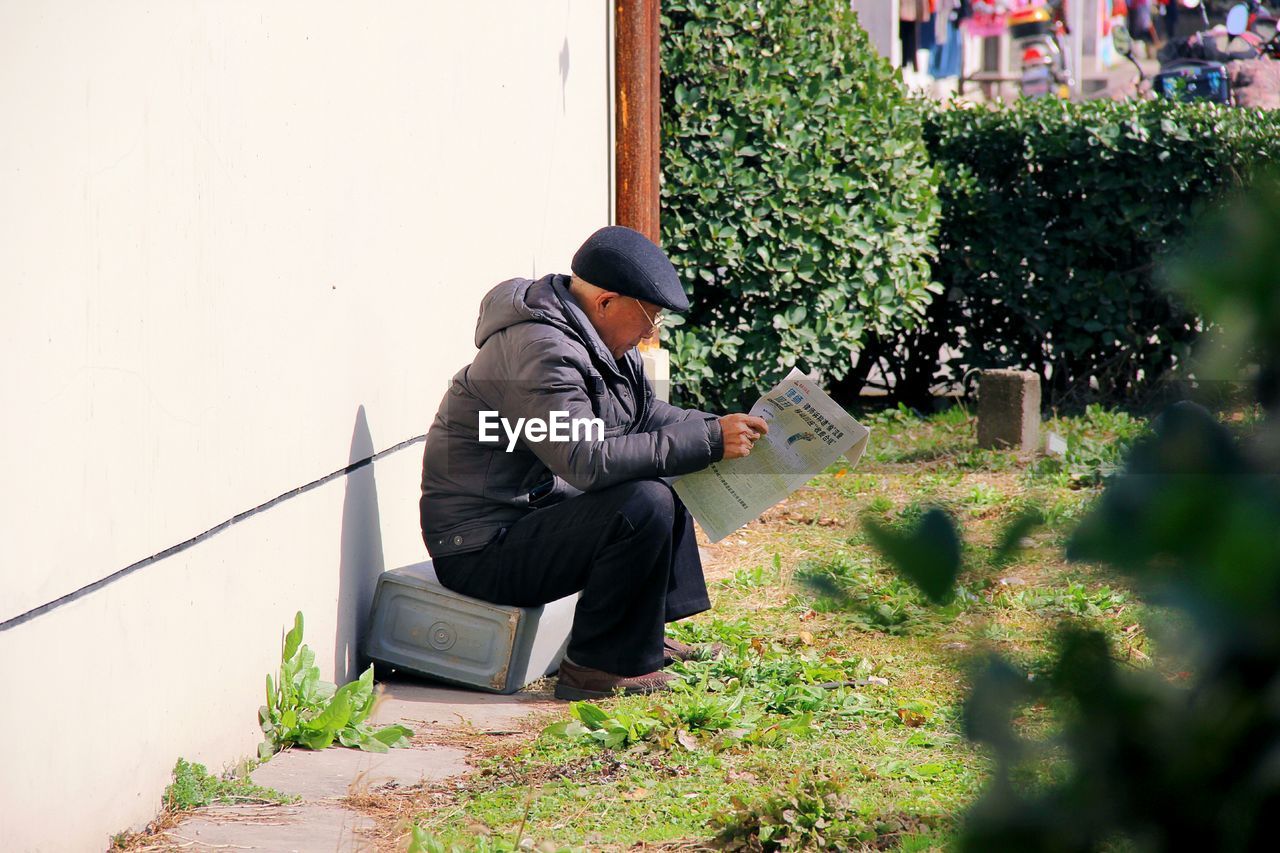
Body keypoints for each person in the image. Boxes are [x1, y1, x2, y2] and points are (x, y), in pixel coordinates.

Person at [419, 226, 768, 700]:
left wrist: (725, 428)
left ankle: (641, 636)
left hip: (530, 521)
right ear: (605, 302)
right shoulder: (540, 350)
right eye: (649, 316)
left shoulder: (599, 341)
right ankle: (596, 668)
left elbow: (647, 416)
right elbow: (585, 461)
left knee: (668, 464)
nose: (651, 332)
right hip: (480, 548)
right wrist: (707, 439)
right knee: (643, 499)